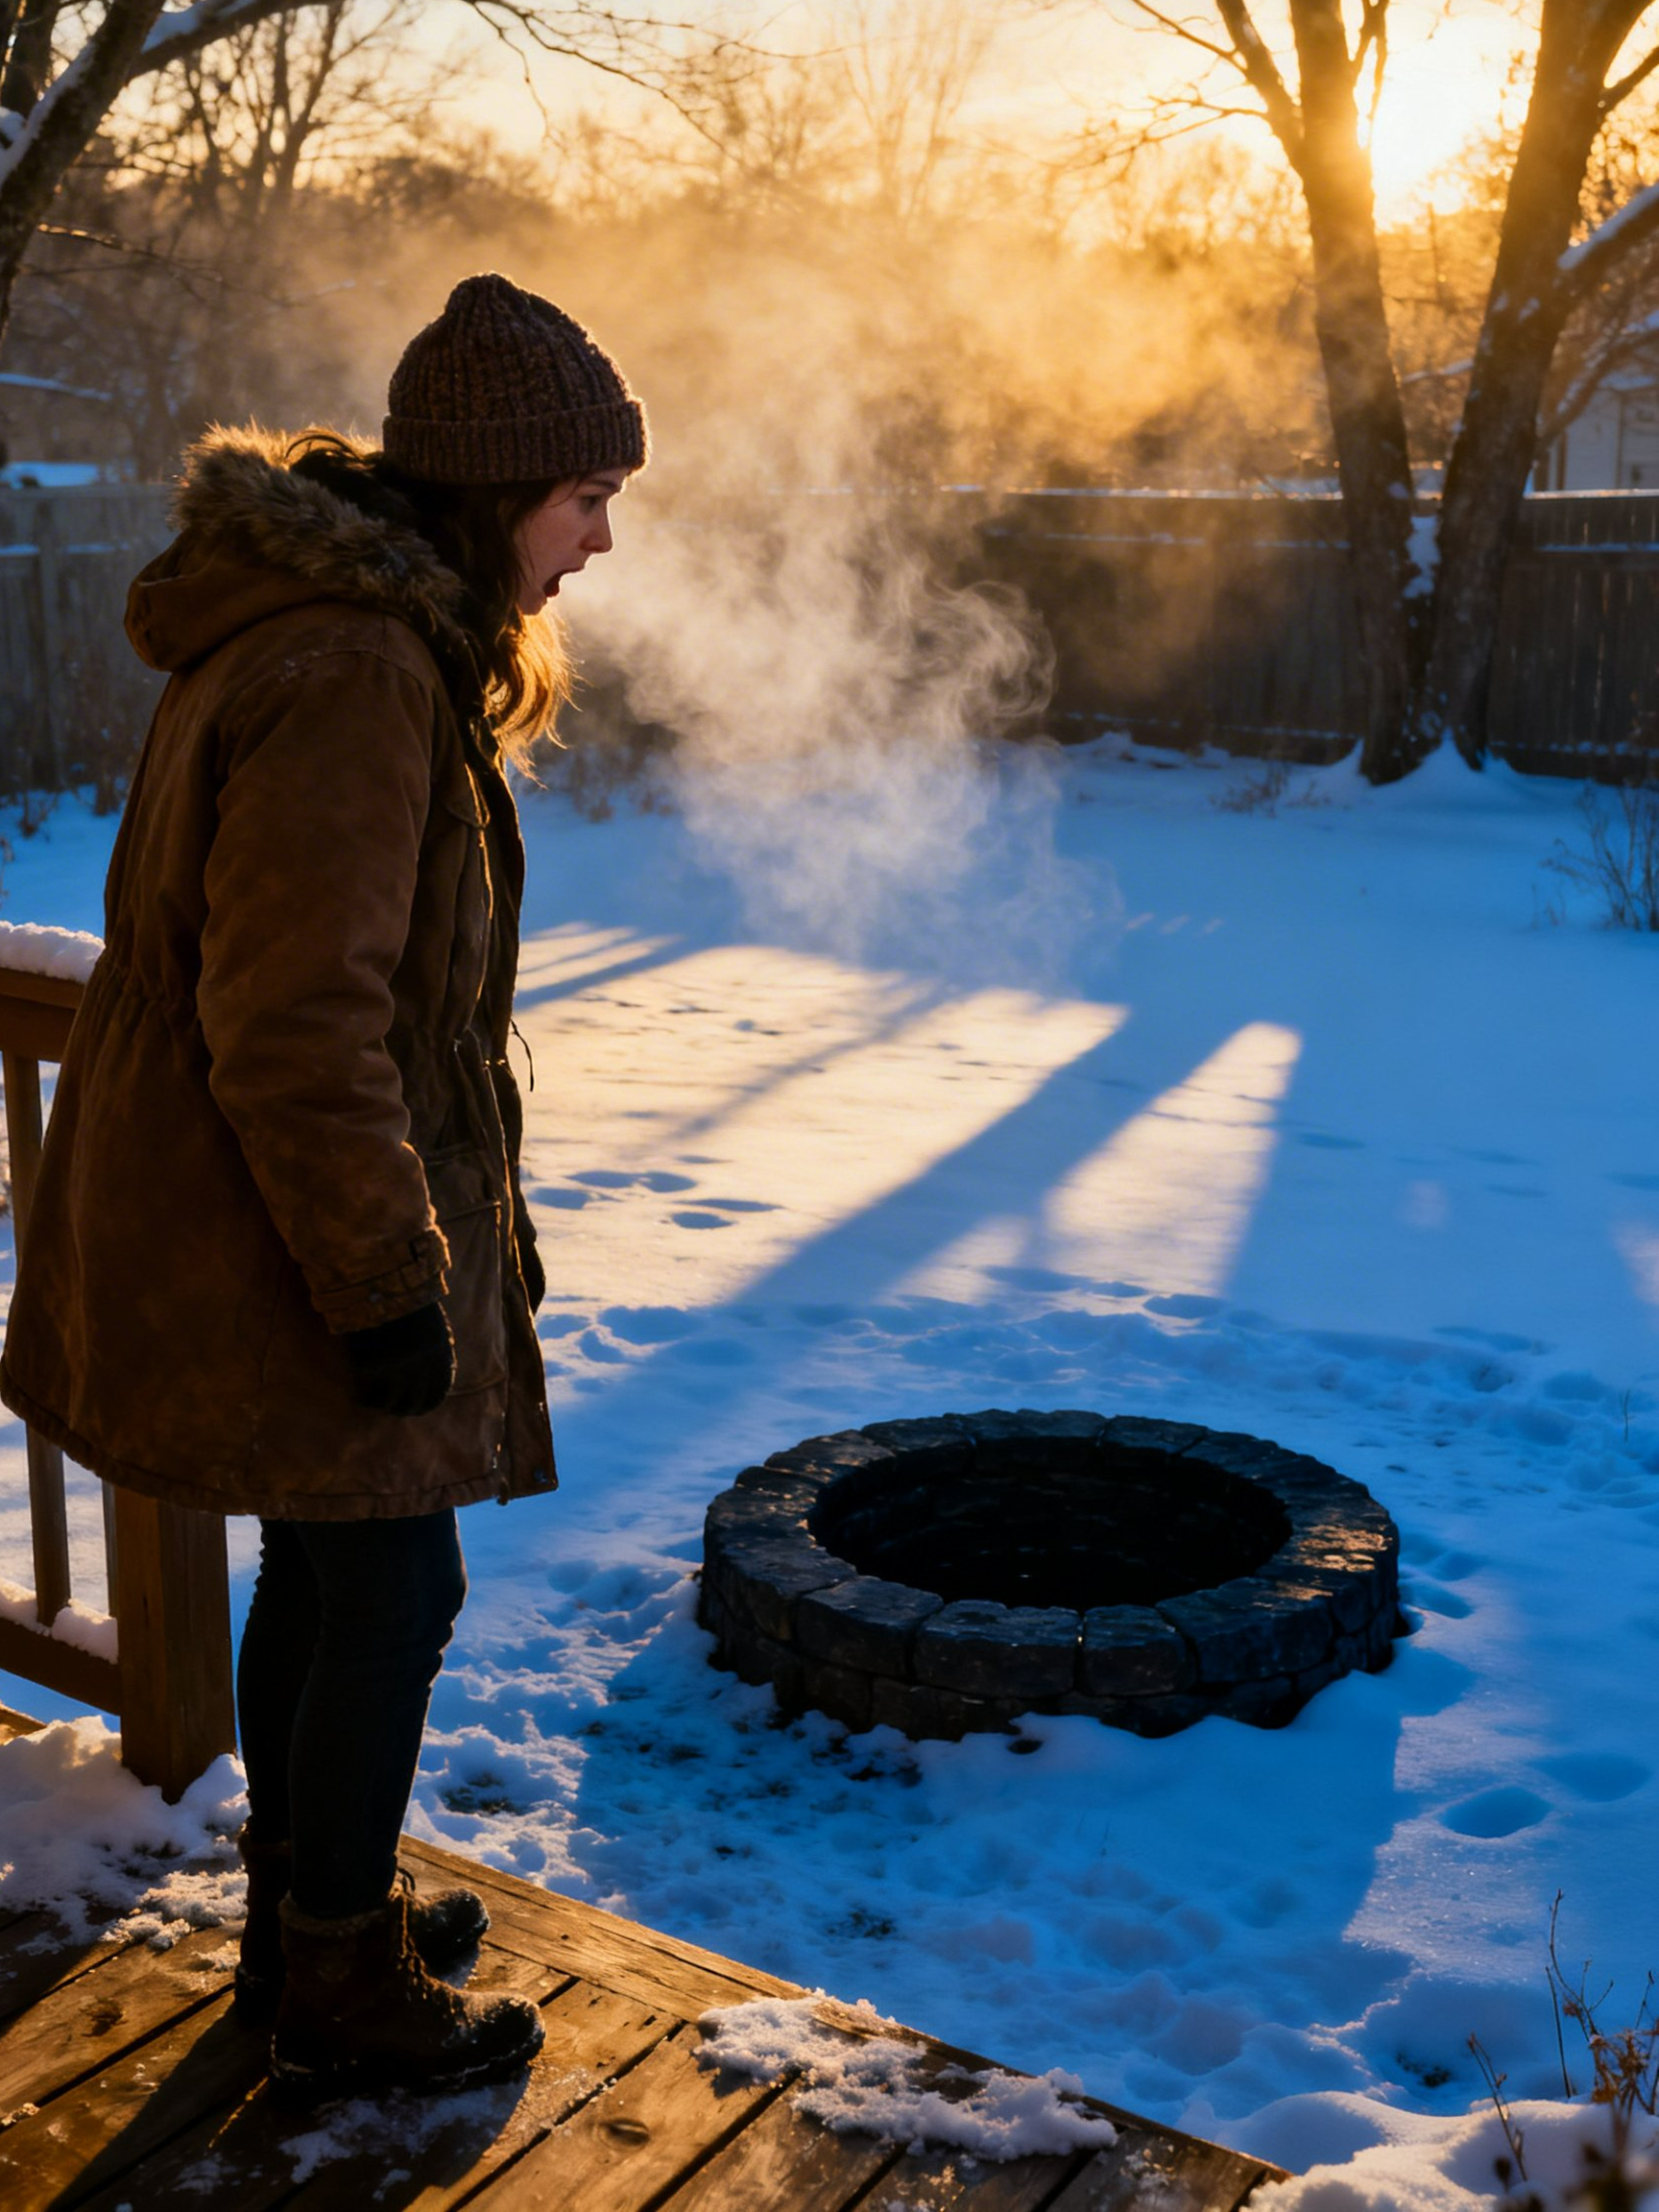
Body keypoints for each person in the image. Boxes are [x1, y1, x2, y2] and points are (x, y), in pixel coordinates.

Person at [0, 273, 645, 2102]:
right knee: (390, 1587)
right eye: (583, 497)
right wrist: (383, 1284)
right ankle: (336, 1986)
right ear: (490, 489)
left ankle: (311, 1920)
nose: (597, 540)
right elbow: (295, 1024)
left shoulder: (344, 635)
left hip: (252, 1207)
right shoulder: (357, 668)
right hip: (278, 1225)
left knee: (335, 1565)